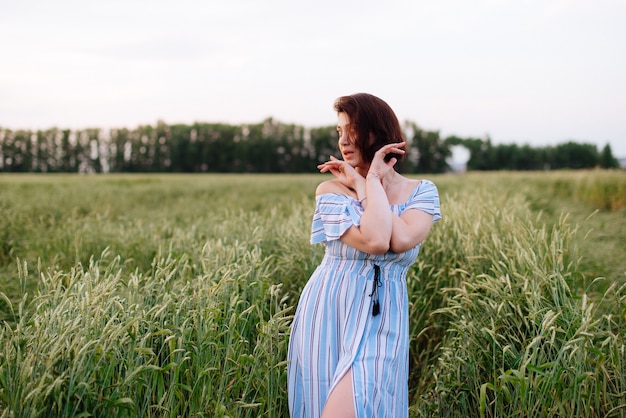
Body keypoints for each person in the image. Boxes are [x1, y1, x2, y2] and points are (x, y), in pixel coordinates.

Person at [287, 93, 442, 417]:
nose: (342, 141)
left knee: (363, 403)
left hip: (383, 314)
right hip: (331, 307)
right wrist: (364, 184)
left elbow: (397, 239)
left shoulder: (421, 191)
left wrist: (368, 181)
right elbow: (374, 240)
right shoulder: (330, 191)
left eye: (351, 129)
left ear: (375, 131)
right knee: (325, 405)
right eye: (338, 131)